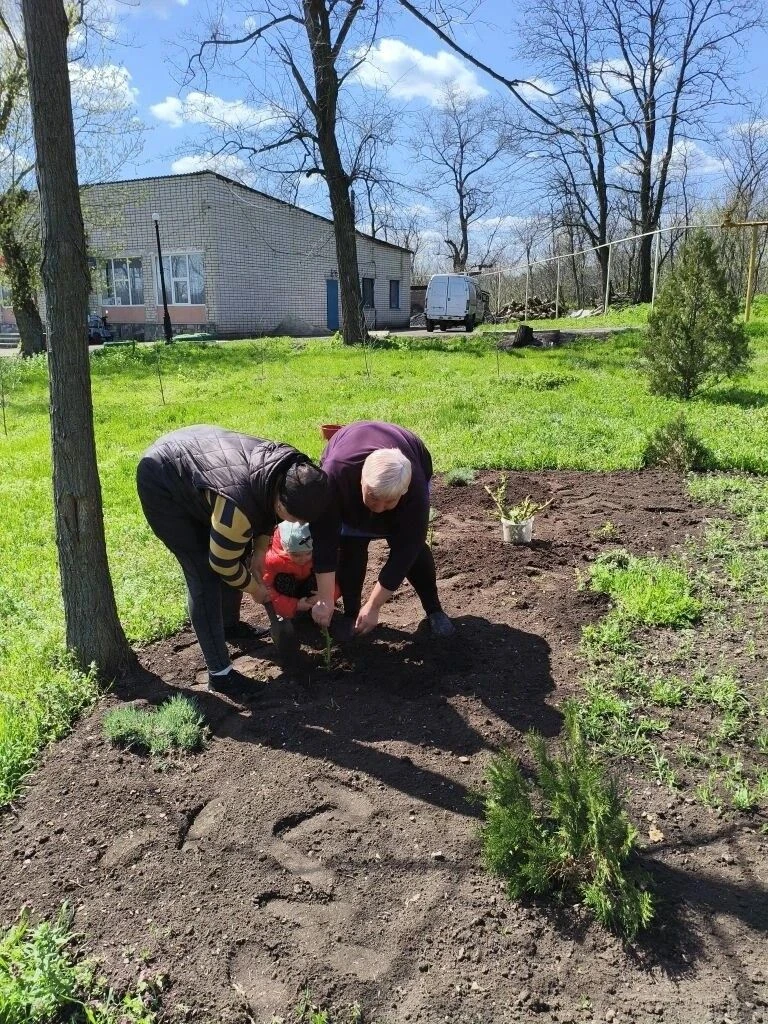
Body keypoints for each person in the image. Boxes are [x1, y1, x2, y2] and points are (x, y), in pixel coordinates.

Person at [136, 425, 330, 696]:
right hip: (164, 478)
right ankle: (220, 674)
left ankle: (229, 626)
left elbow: (265, 511)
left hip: (207, 466)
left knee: (237, 550)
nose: (296, 523)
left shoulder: (288, 472)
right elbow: (222, 562)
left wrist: (260, 551)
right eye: (293, 517)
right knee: (203, 573)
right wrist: (255, 589)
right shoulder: (238, 507)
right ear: (280, 501)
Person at [309, 421, 455, 641]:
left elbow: (409, 547)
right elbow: (324, 538)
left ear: (404, 491)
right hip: (346, 460)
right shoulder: (335, 474)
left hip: (412, 452)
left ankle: (434, 609)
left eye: (389, 503)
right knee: (350, 544)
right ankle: (352, 613)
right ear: (363, 481)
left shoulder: (413, 488)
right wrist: (325, 598)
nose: (378, 509)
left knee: (411, 550)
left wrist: (375, 605)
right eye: (374, 498)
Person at [262, 521, 341, 619]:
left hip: (311, 590)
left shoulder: (321, 553)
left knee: (323, 574)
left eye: (308, 553)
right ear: (285, 549)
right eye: (296, 555)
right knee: (282, 580)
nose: (303, 559)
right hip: (290, 595)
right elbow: (267, 590)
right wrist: (294, 605)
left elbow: (338, 578)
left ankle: (314, 606)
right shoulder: (271, 560)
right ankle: (294, 615)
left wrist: (326, 595)